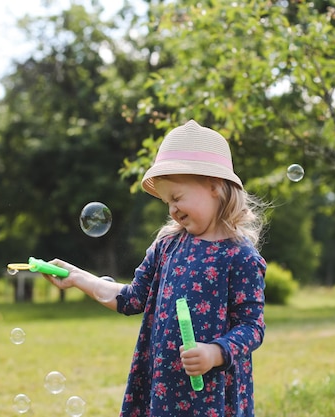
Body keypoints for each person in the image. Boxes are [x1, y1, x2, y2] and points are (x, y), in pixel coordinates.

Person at [43, 120, 268, 417]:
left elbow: (252, 327)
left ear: (214, 185)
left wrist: (216, 352)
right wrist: (78, 277)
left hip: (211, 397)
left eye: (176, 197)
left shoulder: (241, 257)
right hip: (163, 390)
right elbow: (131, 298)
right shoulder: (167, 247)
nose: (171, 209)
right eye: (166, 201)